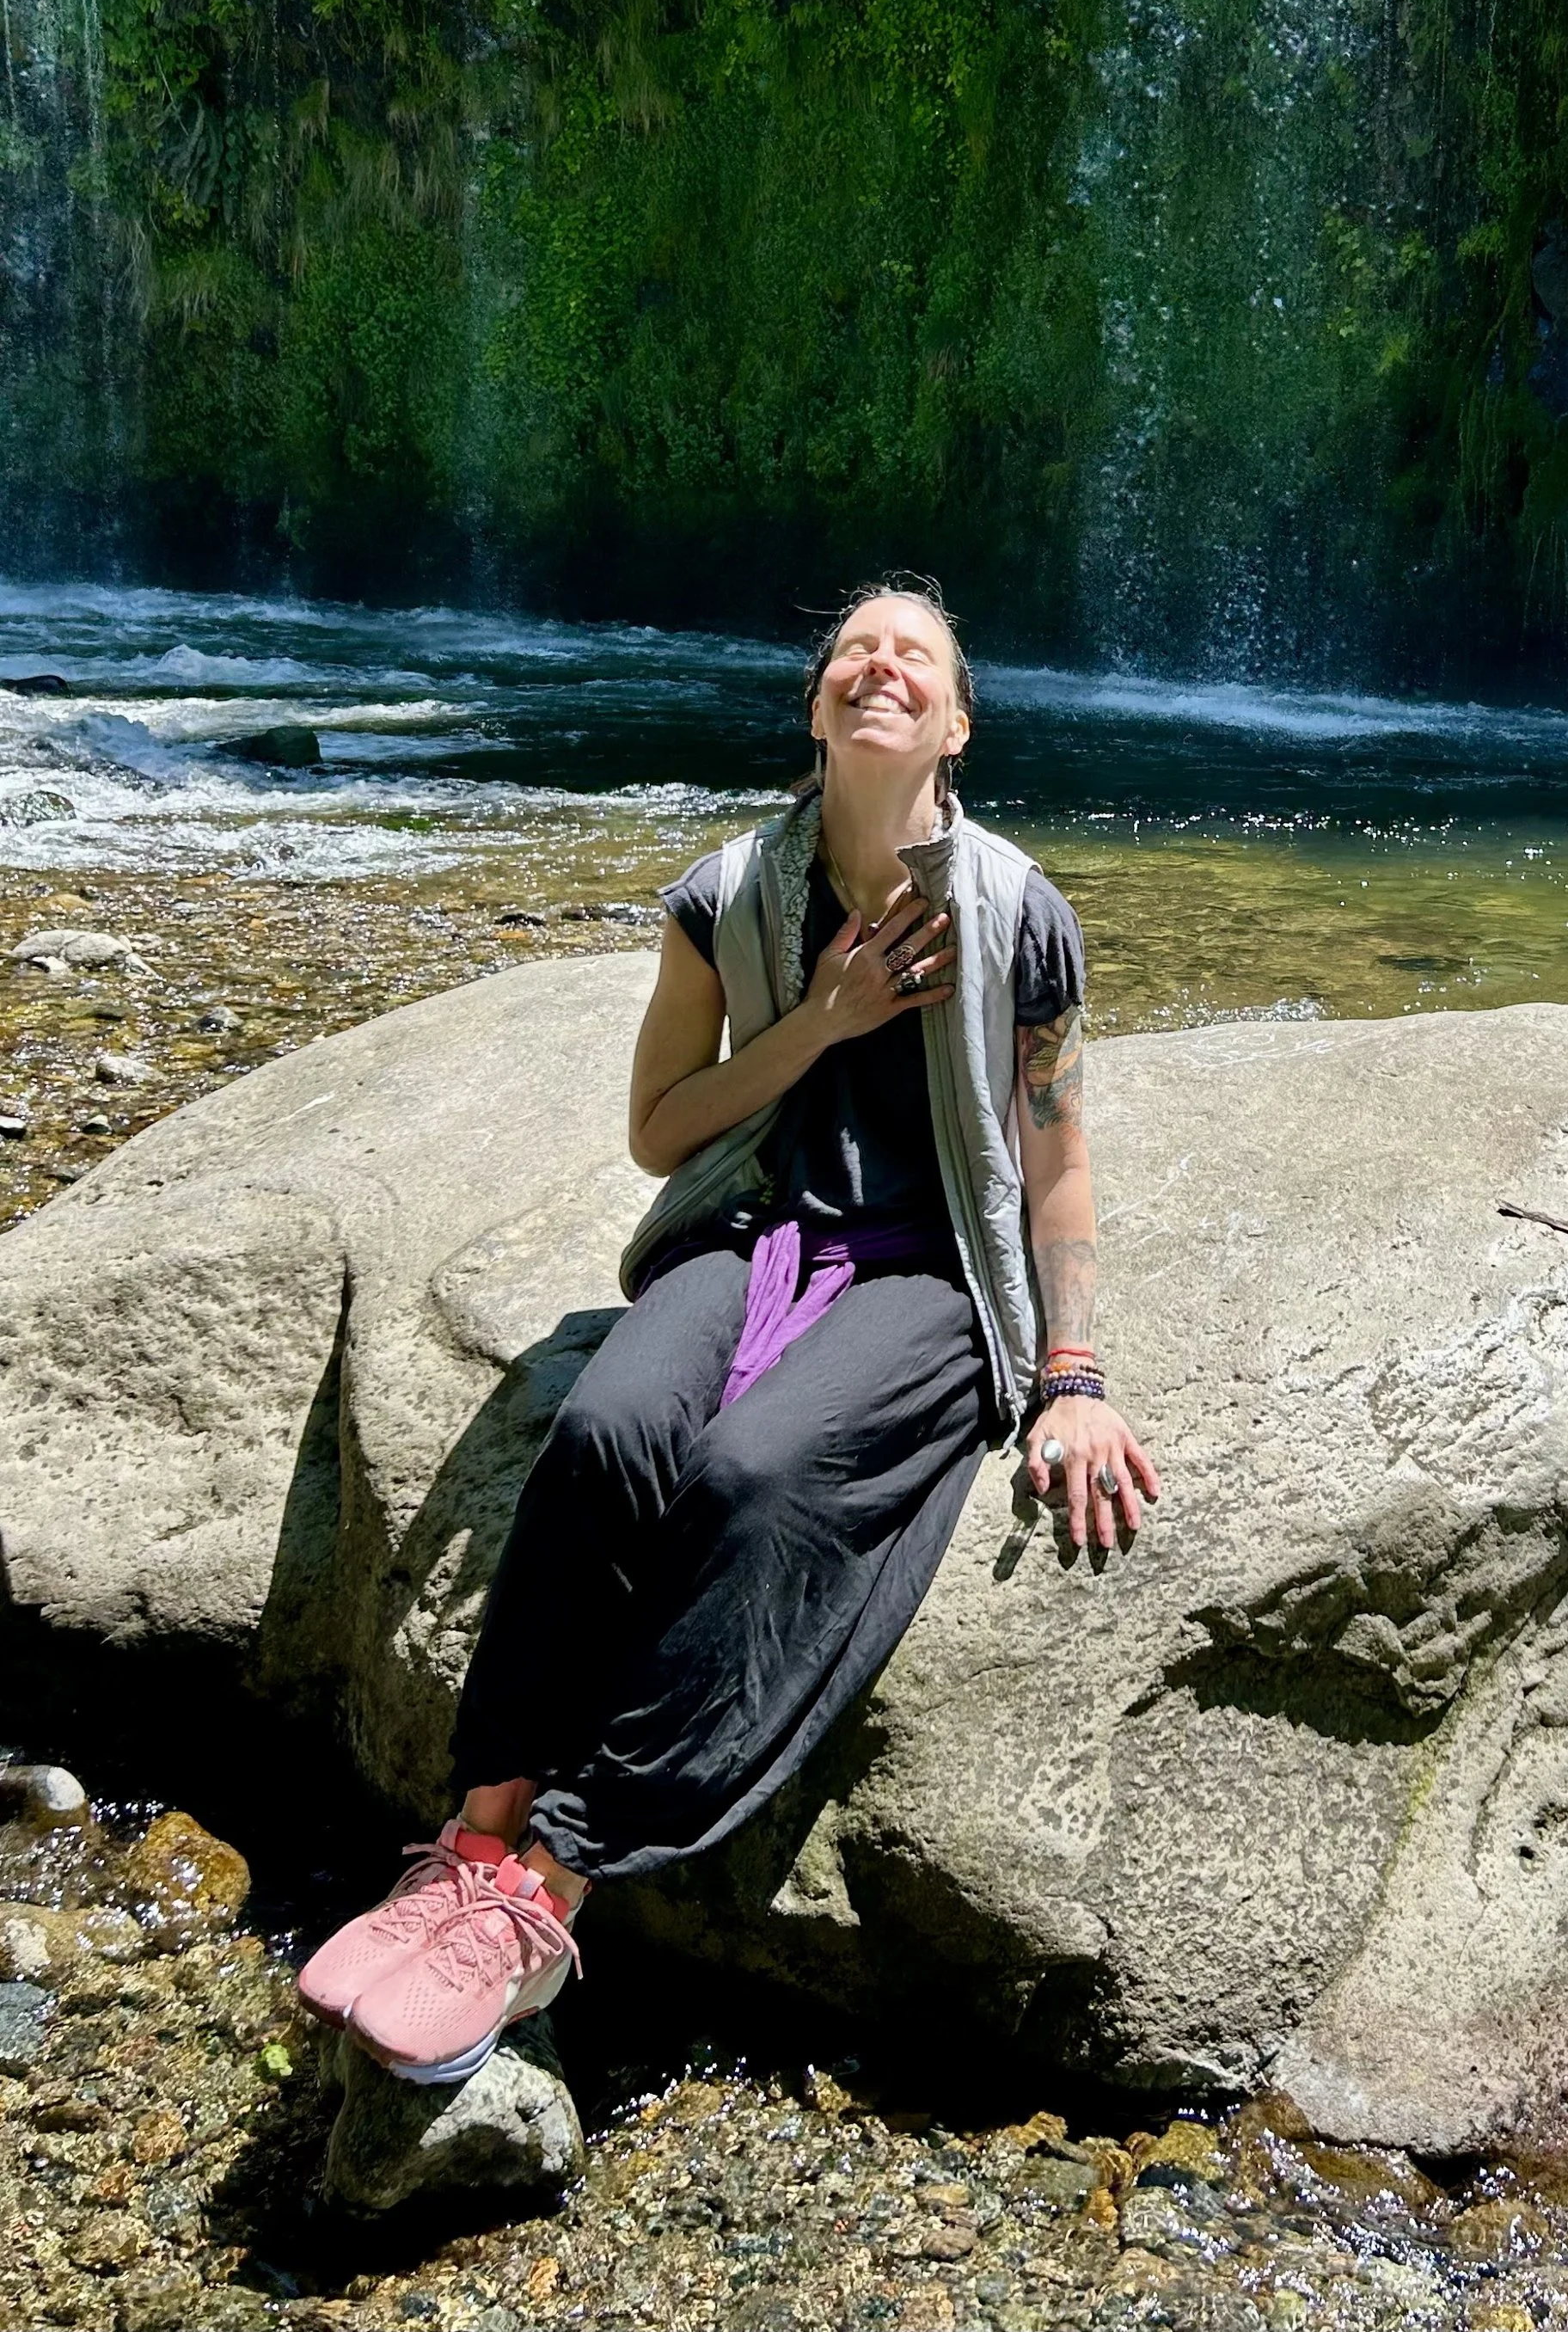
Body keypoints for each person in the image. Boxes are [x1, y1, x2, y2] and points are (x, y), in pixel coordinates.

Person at [296, 582, 1158, 2086]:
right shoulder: (724, 897)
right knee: (608, 1431)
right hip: (749, 1234)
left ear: (956, 723)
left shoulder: (1023, 918)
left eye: (920, 656)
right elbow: (657, 1132)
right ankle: (475, 1831)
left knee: (758, 1478)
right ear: (818, 702)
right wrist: (819, 1021)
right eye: (855, 648)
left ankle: (549, 1886)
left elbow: (1056, 1159)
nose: (880, 664)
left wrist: (1071, 1375)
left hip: (930, 1276)